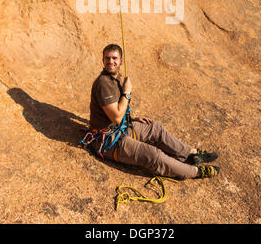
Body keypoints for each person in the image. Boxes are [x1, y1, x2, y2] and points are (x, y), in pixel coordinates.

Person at [87, 44, 220, 180]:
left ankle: (190, 154)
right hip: (108, 142)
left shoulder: (116, 78)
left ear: (121, 61)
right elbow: (115, 117)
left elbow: (116, 114)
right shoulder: (103, 83)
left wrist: (131, 119)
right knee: (153, 154)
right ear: (103, 60)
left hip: (120, 129)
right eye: (107, 58)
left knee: (154, 128)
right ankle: (195, 171)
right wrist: (126, 93)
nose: (110, 62)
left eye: (114, 58)